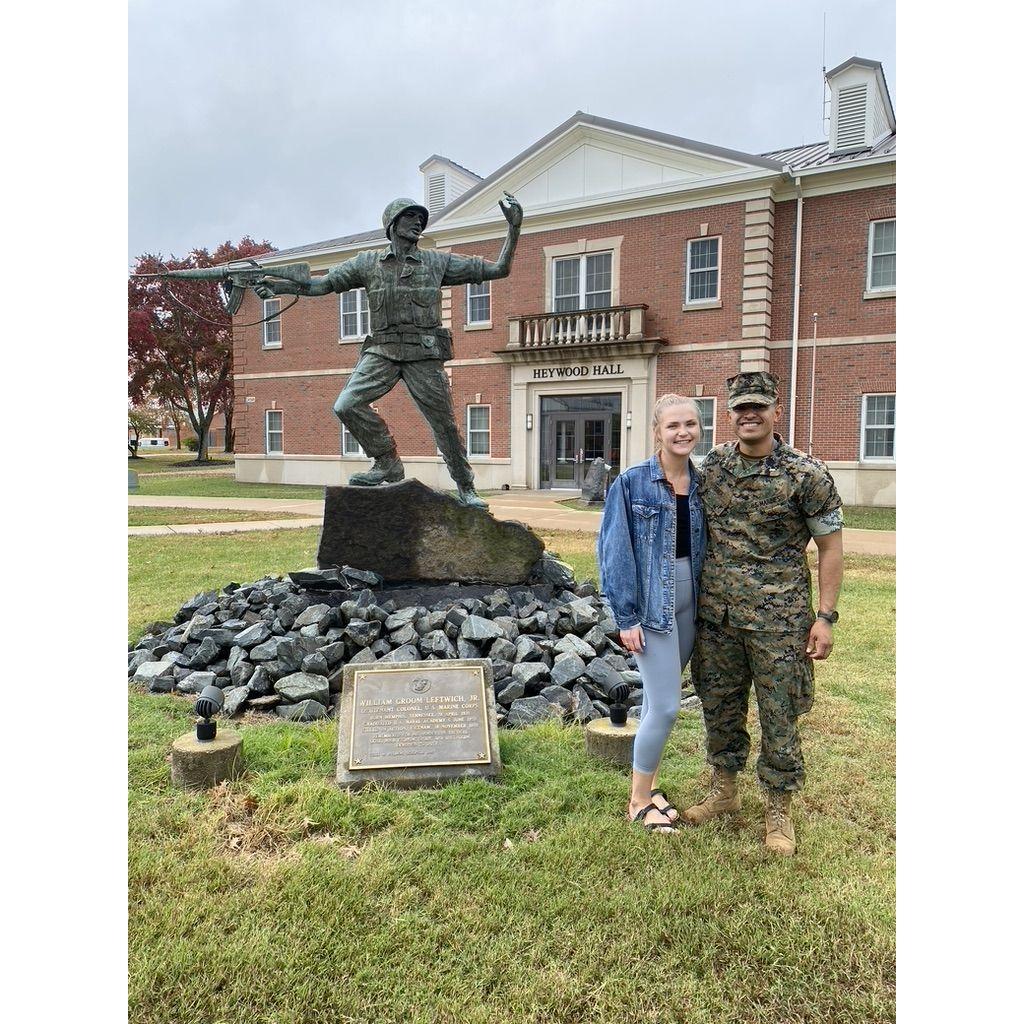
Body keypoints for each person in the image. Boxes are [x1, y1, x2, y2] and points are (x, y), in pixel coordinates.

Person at [253, 194, 523, 509]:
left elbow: (499, 269)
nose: (418, 222)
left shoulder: (437, 262)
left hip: (423, 352)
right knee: (346, 405)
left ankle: (466, 487)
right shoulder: (367, 263)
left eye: (421, 218)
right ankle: (386, 461)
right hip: (382, 350)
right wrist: (279, 287)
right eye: (410, 216)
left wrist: (513, 229)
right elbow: (321, 285)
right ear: (393, 224)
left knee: (445, 425)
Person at [684, 371, 844, 856]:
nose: (749, 414)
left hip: (780, 622)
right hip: (718, 618)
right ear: (729, 413)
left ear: (777, 410)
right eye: (740, 407)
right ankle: (724, 790)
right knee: (719, 706)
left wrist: (825, 617)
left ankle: (778, 809)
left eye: (758, 405)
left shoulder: (806, 474)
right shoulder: (713, 467)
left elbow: (830, 548)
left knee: (780, 714)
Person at [597, 395, 706, 834]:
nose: (683, 432)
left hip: (692, 605)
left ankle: (651, 785)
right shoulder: (631, 482)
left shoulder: (703, 483)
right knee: (666, 706)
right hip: (652, 608)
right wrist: (626, 617)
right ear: (657, 431)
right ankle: (639, 800)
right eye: (673, 425)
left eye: (691, 424)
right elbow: (614, 552)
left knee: (654, 703)